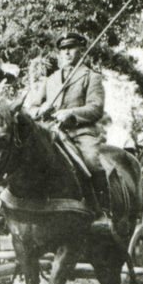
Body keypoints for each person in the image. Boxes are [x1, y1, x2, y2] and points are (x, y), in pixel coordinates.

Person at [26, 32, 111, 232]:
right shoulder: (50, 80)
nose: (66, 53)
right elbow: (32, 107)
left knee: (90, 160)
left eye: (71, 48)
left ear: (81, 50)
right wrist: (40, 110)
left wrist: (71, 113)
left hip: (81, 132)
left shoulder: (91, 77)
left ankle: (102, 211)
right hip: (51, 132)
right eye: (63, 49)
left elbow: (96, 108)